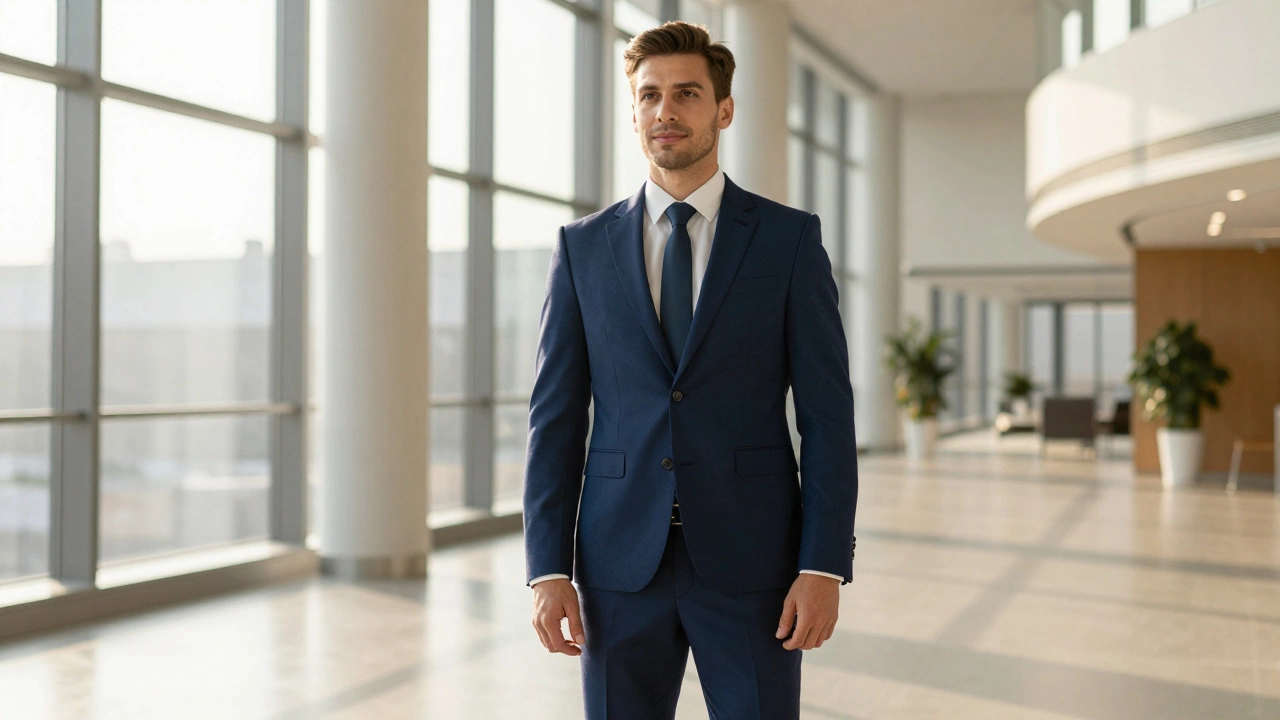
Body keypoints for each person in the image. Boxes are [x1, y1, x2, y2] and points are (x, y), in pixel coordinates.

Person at [523, 20, 858, 720]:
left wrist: (822, 564)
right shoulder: (582, 249)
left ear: (724, 110)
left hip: (754, 563)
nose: (664, 112)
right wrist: (548, 568)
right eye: (648, 96)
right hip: (618, 565)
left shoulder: (788, 242)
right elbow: (554, 419)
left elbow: (827, 417)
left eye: (685, 94)